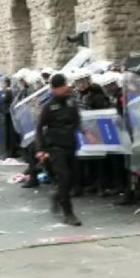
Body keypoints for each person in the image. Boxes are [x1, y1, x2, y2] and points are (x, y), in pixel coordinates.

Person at [36, 73, 91, 226]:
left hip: (70, 145)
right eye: (62, 86)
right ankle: (69, 213)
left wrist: (85, 132)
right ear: (54, 89)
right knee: (64, 177)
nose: (66, 88)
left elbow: (77, 121)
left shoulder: (72, 103)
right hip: (55, 147)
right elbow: (39, 128)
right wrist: (40, 149)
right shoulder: (48, 106)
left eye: (65, 85)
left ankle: (58, 194)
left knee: (72, 178)